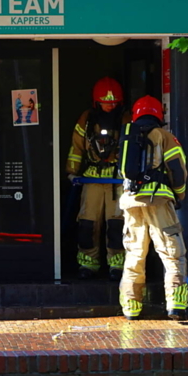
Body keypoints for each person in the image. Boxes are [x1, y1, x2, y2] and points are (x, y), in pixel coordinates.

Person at [117, 95, 188, 320]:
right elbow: (177, 170)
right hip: (158, 201)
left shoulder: (129, 136)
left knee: (134, 254)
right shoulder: (165, 136)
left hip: (131, 202)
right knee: (172, 253)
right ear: (159, 114)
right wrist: (179, 195)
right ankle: (176, 305)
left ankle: (131, 307)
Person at [66, 77, 129, 280]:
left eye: (114, 102)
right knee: (87, 223)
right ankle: (88, 263)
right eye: (105, 102)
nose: (110, 106)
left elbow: (131, 149)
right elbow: (77, 147)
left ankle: (117, 264)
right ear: (96, 101)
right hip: (91, 179)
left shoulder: (126, 119)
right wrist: (72, 172)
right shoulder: (87, 120)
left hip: (117, 180)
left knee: (116, 224)